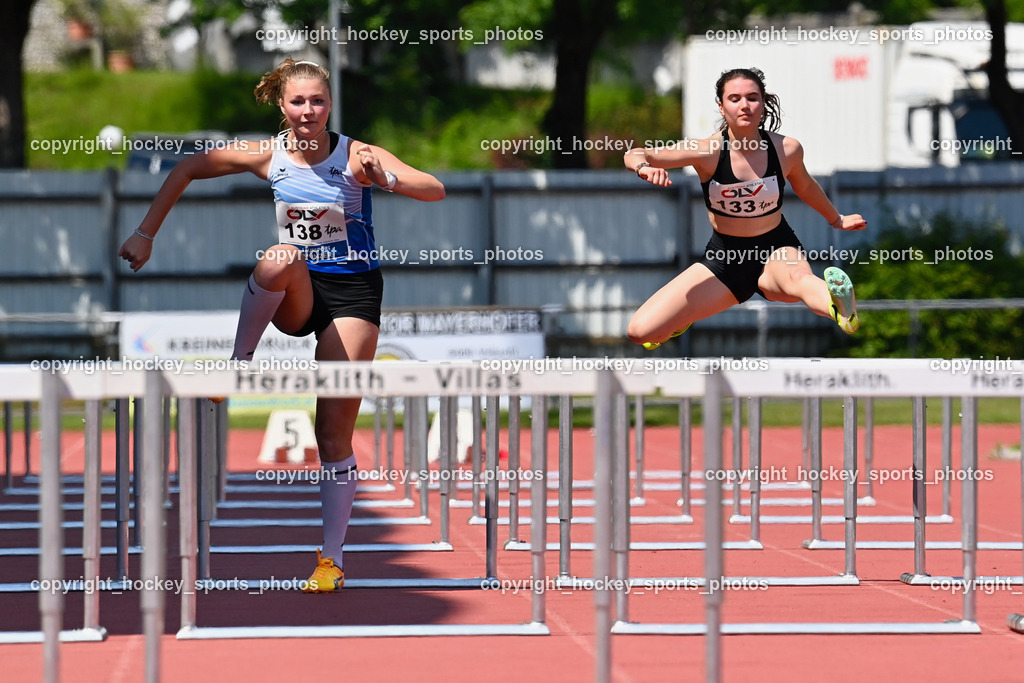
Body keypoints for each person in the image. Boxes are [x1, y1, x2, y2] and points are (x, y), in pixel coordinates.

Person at [118, 59, 445, 592]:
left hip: (353, 295)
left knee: (332, 432)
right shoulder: (266, 155)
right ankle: (237, 367)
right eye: (298, 102)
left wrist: (386, 177)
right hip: (298, 289)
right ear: (282, 106)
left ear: (330, 104)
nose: (309, 111)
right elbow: (185, 169)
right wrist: (146, 233)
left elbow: (434, 188)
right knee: (278, 257)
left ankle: (331, 559)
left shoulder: (354, 153)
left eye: (318, 101)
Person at [623, 67, 865, 350]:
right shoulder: (706, 151)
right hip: (725, 260)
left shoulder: (786, 149)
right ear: (721, 105)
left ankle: (841, 308)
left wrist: (837, 219)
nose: (745, 105)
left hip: (776, 247)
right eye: (735, 98)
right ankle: (679, 322)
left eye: (752, 98)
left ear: (763, 103)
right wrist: (643, 168)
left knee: (799, 279)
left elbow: (807, 186)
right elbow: (635, 153)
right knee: (640, 331)